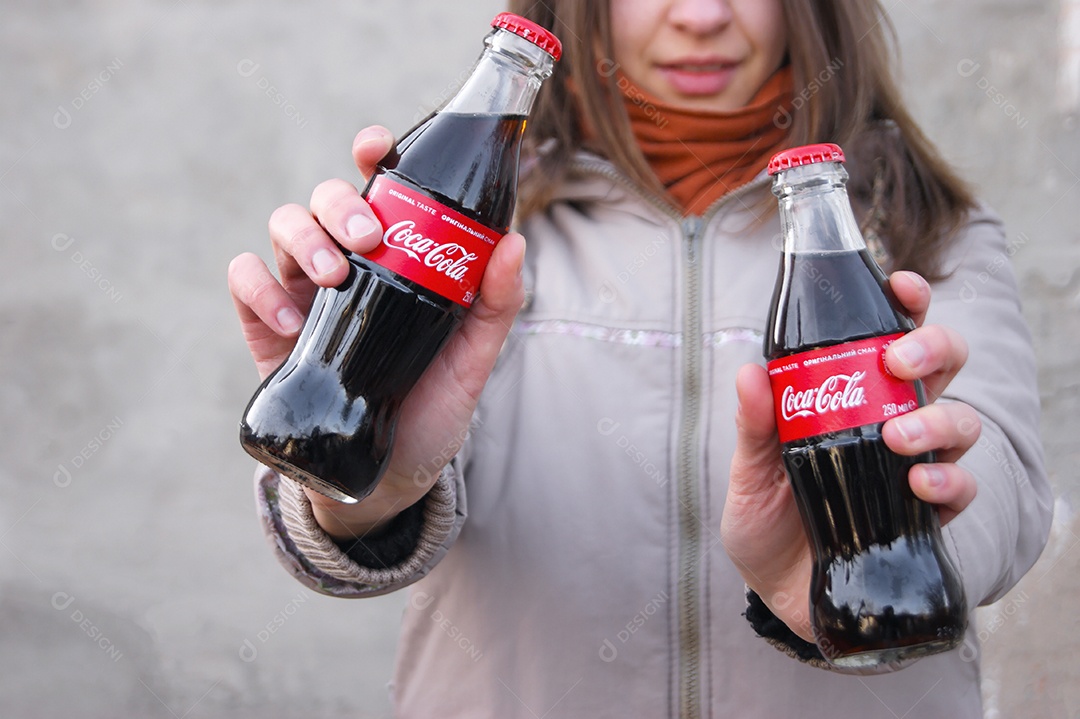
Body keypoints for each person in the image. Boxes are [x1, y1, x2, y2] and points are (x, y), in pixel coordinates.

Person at [227, 1, 1053, 716]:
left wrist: (878, 555)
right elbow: (329, 540)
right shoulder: (472, 213)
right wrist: (374, 469)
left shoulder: (923, 229)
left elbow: (1010, 494)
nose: (700, 16)